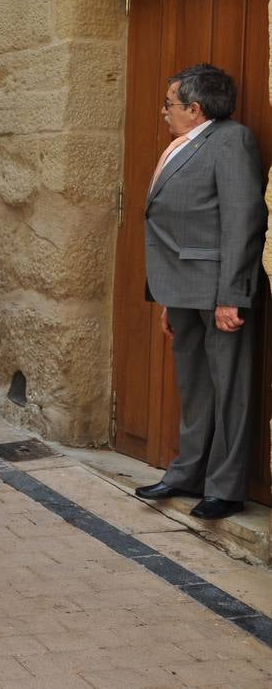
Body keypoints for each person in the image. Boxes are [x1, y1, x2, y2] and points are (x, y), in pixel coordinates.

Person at [136, 64, 265, 520]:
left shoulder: (231, 141)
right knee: (195, 387)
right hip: (183, 289)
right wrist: (168, 299)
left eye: (170, 104)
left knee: (230, 388)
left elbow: (243, 222)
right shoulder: (183, 144)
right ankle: (187, 472)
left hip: (219, 290)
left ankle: (226, 488)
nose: (163, 111)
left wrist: (232, 294)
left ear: (194, 108)